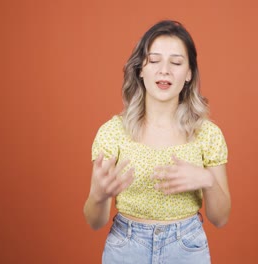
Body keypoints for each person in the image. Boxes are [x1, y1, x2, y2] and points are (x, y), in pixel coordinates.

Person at [83, 20, 231, 264]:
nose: (165, 70)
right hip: (126, 249)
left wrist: (208, 181)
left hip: (186, 249)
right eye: (154, 61)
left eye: (176, 62)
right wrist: (98, 197)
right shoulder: (113, 132)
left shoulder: (207, 134)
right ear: (140, 69)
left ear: (189, 73)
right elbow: (94, 222)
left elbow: (220, 218)